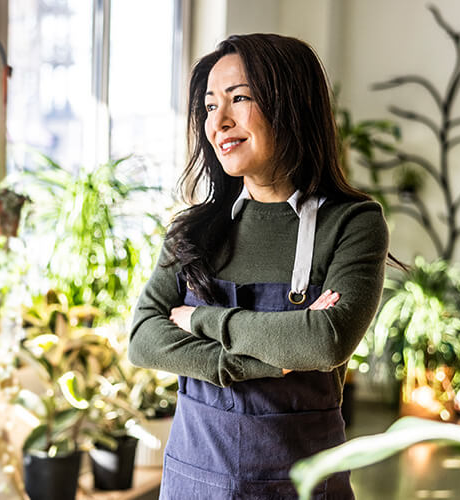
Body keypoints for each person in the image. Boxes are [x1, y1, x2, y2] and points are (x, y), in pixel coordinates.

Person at [129, 33, 389, 499]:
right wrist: (259, 359)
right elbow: (143, 339)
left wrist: (199, 319)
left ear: (291, 104)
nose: (219, 121)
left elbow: (323, 341)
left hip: (301, 485)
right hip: (195, 480)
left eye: (239, 99)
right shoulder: (194, 231)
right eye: (210, 107)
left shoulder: (352, 223)